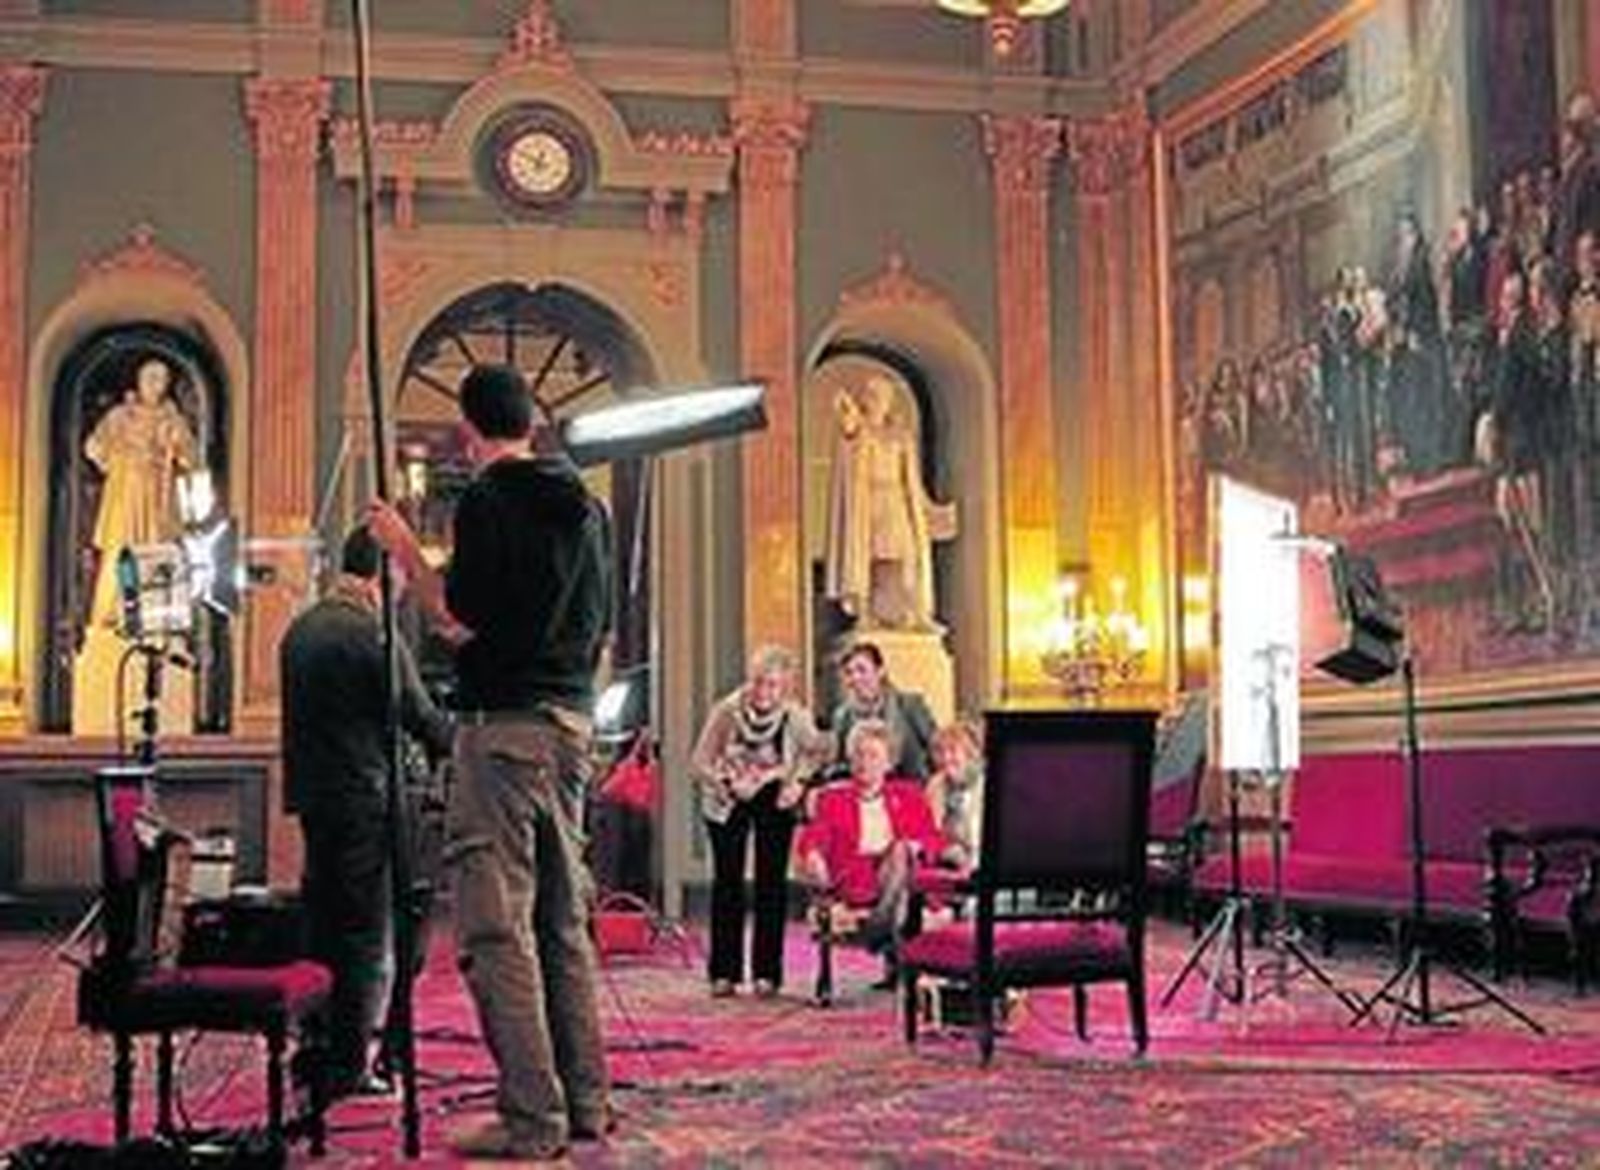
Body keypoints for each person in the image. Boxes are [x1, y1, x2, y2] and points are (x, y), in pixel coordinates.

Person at [368, 363, 614, 1162]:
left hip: (503, 733)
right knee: (562, 923)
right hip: (572, 726)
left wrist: (404, 547)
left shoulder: (486, 500)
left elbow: (454, 618)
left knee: (495, 927)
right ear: (533, 423)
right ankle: (585, 1104)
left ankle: (531, 1119)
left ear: (470, 434)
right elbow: (596, 625)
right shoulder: (590, 507)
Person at [280, 526, 454, 1100]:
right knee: (362, 935)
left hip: (314, 798)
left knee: (320, 922)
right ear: (384, 575)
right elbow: (419, 717)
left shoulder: (301, 630)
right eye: (401, 578)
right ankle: (351, 1064)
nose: (402, 591)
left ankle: (312, 1044)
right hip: (366, 801)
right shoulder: (370, 634)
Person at [689, 645, 826, 998]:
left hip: (773, 796)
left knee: (771, 883)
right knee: (728, 883)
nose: (763, 691)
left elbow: (818, 750)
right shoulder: (727, 711)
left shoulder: (795, 717)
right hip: (727, 797)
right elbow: (699, 761)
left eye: (772, 685)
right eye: (758, 682)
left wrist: (798, 782)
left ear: (785, 688)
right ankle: (724, 973)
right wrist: (723, 781)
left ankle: (767, 974)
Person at [797, 719, 944, 983]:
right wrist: (813, 855)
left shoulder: (910, 795)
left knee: (900, 851)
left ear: (889, 762)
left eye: (874, 755)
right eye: (859, 755)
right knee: (901, 886)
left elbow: (933, 840)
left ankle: (877, 930)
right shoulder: (833, 799)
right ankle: (887, 929)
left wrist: (916, 846)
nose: (865, 763)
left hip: (902, 875)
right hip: (858, 880)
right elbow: (814, 837)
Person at [824, 373, 955, 629]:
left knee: (907, 555)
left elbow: (912, 481)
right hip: (867, 502)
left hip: (896, 499)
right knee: (867, 557)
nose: (876, 400)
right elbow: (849, 432)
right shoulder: (860, 430)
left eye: (881, 395)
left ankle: (915, 613)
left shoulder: (900, 435)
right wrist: (846, 413)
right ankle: (866, 615)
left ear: (889, 400)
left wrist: (929, 511)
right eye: (871, 395)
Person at [83, 357, 201, 627]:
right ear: (139, 380)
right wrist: (107, 452)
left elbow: (191, 460)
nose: (155, 385)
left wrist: (178, 442)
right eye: (151, 378)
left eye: (161, 380)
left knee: (155, 549)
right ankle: (111, 612)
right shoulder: (119, 416)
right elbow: (95, 446)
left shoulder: (173, 419)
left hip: (158, 496)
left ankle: (154, 616)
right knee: (119, 550)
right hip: (125, 493)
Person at [829, 641, 937, 782]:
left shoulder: (909, 705)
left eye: (861, 670)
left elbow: (935, 748)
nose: (855, 678)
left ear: (880, 671)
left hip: (911, 787)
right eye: (849, 673)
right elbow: (840, 762)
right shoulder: (842, 716)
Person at [924, 720, 984, 873]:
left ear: (970, 753)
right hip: (951, 859)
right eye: (940, 752)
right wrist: (949, 851)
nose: (945, 758)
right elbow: (930, 832)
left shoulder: (985, 783)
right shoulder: (935, 785)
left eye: (952, 751)